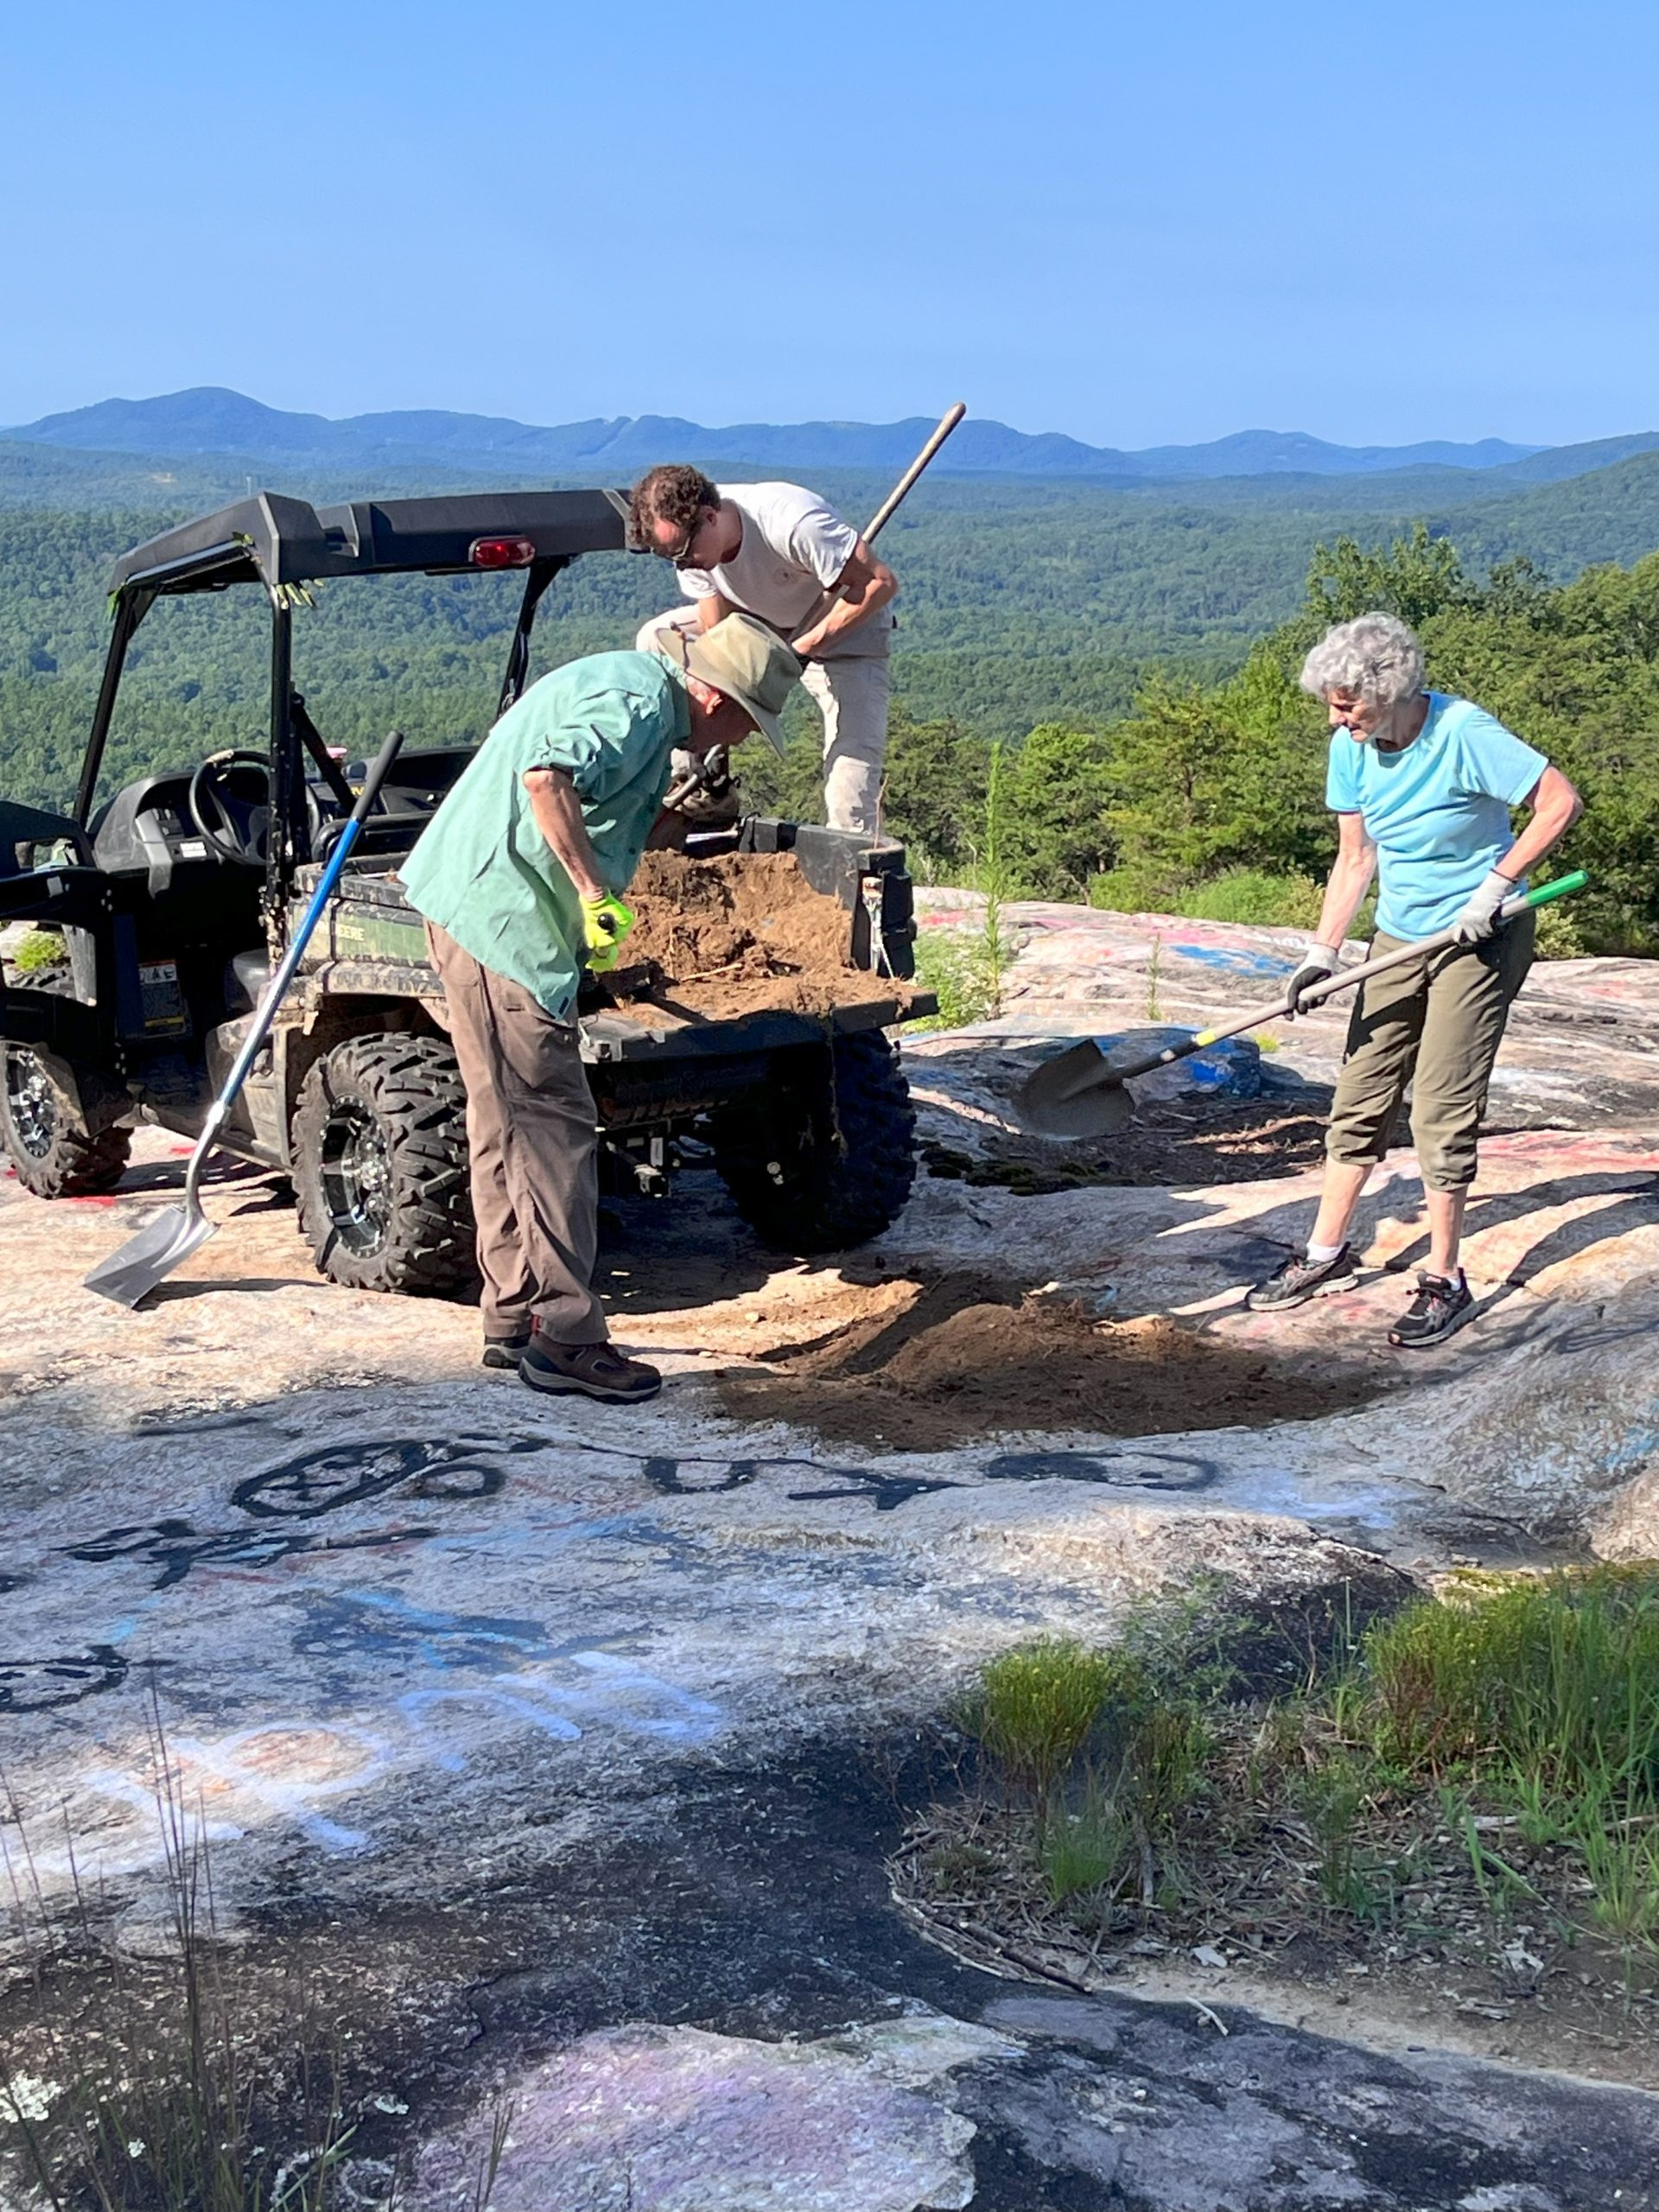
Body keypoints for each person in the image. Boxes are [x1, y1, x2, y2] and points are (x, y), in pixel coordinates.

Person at [399, 614, 802, 1402]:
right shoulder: (638, 702)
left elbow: (610, 810)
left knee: (502, 1123)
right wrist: (591, 894)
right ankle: (567, 1337)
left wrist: (680, 818)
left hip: (487, 918)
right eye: (747, 720)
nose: (744, 738)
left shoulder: (641, 705)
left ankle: (513, 1316)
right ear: (715, 695)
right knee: (553, 1125)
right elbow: (547, 779)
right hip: (501, 922)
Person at [1247, 611, 1582, 1348]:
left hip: (1479, 934)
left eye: (1347, 703)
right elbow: (1355, 858)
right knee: (1361, 1089)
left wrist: (1494, 886)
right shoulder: (1351, 747)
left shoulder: (1464, 732)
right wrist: (1322, 954)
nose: (1335, 717)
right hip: (1401, 936)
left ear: (1391, 689)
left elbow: (1560, 801)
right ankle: (1324, 1254)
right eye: (1331, 703)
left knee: (1439, 1103)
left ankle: (1445, 1278)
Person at [628, 464, 898, 836]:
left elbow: (879, 584)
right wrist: (726, 701)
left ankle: (852, 858)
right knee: (655, 638)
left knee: (849, 767)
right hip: (756, 620)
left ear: (710, 516)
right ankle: (705, 785)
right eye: (671, 557)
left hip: (848, 628)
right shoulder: (688, 549)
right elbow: (716, 629)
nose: (682, 564)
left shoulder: (793, 522)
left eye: (684, 552)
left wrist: (802, 648)